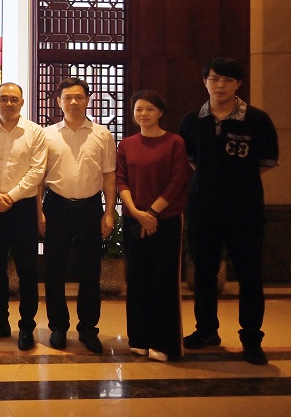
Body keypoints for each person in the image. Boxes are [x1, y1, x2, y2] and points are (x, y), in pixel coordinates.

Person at [179, 57, 279, 365]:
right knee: (204, 273)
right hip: (203, 209)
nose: (220, 85)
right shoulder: (192, 120)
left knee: (250, 275)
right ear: (205, 81)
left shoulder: (257, 119)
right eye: (214, 79)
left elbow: (266, 162)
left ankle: (251, 338)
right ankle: (206, 330)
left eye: (227, 80)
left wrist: (235, 184)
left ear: (238, 84)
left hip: (245, 210)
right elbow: (190, 159)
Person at [38, 77, 116, 354]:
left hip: (90, 209)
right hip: (56, 207)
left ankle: (88, 328)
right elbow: (39, 178)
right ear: (59, 102)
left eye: (79, 97)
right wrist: (39, 211)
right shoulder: (46, 135)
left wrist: (109, 212)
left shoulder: (102, 134)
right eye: (67, 97)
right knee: (54, 270)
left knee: (90, 271)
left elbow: (109, 176)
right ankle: (58, 326)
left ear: (87, 100)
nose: (73, 102)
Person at [117, 89, 190, 362]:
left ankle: (164, 343)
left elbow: (178, 180)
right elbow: (121, 180)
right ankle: (139, 339)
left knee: (164, 280)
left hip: (166, 219)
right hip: (134, 218)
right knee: (137, 279)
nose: (143, 114)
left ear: (160, 112)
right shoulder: (126, 144)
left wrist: (151, 213)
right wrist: (138, 213)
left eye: (149, 109)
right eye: (138, 109)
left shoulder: (175, 143)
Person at [0, 82, 46, 351]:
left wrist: (12, 196)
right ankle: (0, 322)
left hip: (23, 208)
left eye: (13, 99)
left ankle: (26, 327)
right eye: (3, 99)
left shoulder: (34, 132)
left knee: (27, 269)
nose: (8, 103)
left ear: (22, 102)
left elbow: (37, 171)